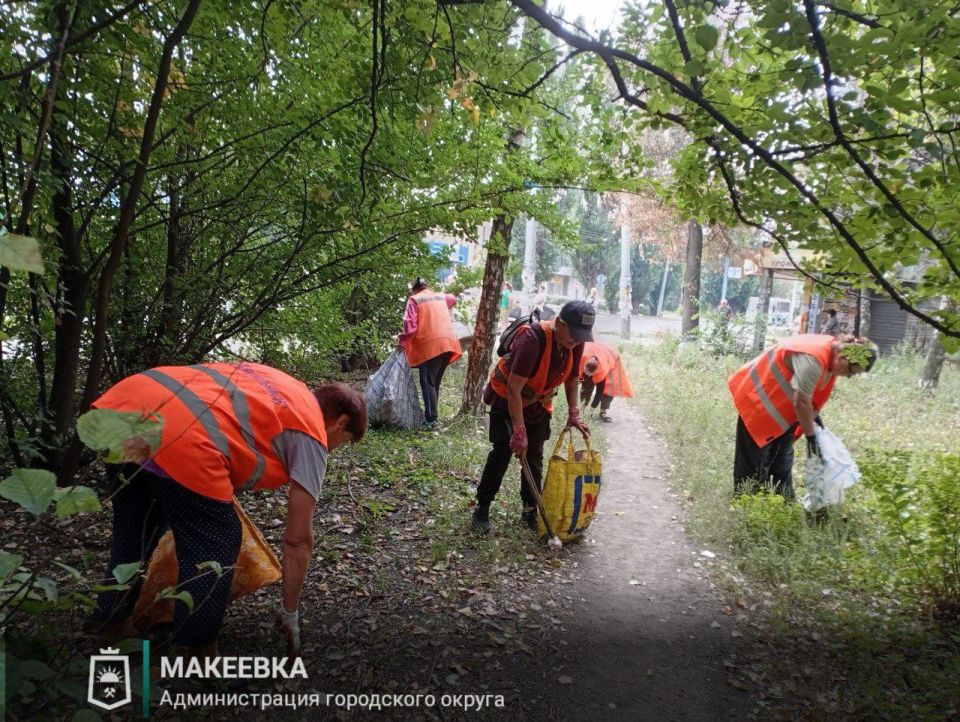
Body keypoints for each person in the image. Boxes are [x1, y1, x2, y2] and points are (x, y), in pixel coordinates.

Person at [89, 362, 367, 654]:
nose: (336, 447)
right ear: (339, 423)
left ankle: (110, 625)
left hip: (124, 407)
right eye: (345, 441)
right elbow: (297, 540)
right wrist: (290, 613)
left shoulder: (287, 387)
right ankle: (198, 655)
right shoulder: (312, 432)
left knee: (137, 529)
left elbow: (225, 418)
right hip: (179, 437)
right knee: (218, 538)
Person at [471, 301, 595, 533]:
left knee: (535, 456)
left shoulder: (574, 343)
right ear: (559, 323)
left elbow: (571, 380)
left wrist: (573, 413)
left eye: (581, 336)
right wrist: (519, 431)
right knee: (502, 453)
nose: (576, 341)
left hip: (538, 403)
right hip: (507, 398)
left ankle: (530, 509)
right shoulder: (532, 340)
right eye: (574, 334)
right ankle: (482, 507)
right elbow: (513, 389)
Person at [728, 334, 877, 499]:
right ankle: (745, 507)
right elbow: (802, 402)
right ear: (843, 359)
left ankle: (783, 508)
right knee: (752, 466)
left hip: (782, 415)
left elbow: (811, 398)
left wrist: (816, 424)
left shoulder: (832, 356)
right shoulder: (814, 360)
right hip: (758, 404)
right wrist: (811, 437)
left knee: (781, 466)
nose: (849, 377)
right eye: (852, 372)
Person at [398, 278, 463, 428]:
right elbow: (452, 298)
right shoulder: (439, 296)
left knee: (427, 381)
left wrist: (402, 342)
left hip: (431, 346)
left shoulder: (414, 300)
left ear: (414, 289)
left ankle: (431, 419)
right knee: (434, 382)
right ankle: (433, 416)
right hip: (449, 343)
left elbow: (410, 327)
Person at [579, 342, 634, 422]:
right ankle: (582, 409)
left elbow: (599, 392)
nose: (589, 376)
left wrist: (592, 408)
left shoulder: (603, 369)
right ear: (584, 366)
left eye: (591, 374)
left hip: (610, 357)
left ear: (597, 370)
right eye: (587, 373)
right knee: (587, 385)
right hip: (593, 351)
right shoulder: (582, 357)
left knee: (609, 386)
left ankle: (603, 411)